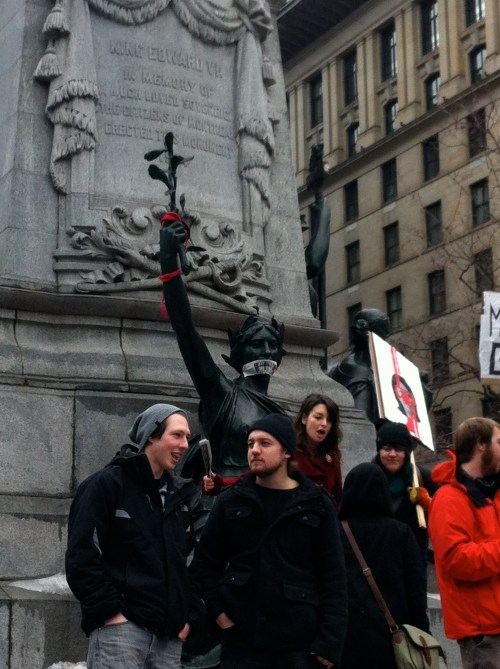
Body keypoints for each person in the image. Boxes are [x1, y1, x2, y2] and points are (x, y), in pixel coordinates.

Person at [191, 413, 347, 669]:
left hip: (299, 643)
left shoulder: (317, 503)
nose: (254, 450)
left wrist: (330, 641)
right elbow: (205, 565)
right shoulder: (231, 500)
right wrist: (219, 614)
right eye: (250, 443)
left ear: (286, 451)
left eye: (265, 443)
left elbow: (334, 578)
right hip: (242, 641)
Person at [65, 403, 203, 669]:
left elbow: (191, 564)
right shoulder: (106, 485)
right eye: (177, 435)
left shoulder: (180, 497)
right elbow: (81, 556)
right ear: (151, 435)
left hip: (169, 640)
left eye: (187, 437)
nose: (185, 445)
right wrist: (112, 615)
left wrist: (188, 618)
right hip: (120, 634)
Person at [160, 221, 286, 478]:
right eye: (256, 344)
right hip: (223, 497)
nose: (265, 351)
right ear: (238, 355)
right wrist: (168, 264)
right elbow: (186, 331)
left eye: (272, 346)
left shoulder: (279, 414)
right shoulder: (222, 393)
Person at [339, 463, 430, 669]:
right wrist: (423, 632)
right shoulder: (401, 533)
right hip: (394, 641)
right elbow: (415, 591)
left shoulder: (336, 533)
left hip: (346, 641)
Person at [428, 417, 500, 669]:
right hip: (484, 634)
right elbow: (455, 560)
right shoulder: (448, 499)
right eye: (499, 442)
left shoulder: (494, 492)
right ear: (481, 444)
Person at [202, 393, 343, 506]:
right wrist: (218, 482)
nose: (324, 424)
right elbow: (251, 478)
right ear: (304, 419)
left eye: (329, 420)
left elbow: (338, 497)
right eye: (318, 417)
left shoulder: (331, 457)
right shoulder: (287, 451)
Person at [374, 421, 437, 584]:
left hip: (413, 561)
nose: (392, 454)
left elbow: (446, 514)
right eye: (387, 448)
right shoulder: (368, 476)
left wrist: (428, 503)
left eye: (399, 449)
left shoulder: (422, 478)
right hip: (377, 559)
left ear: (407, 452)